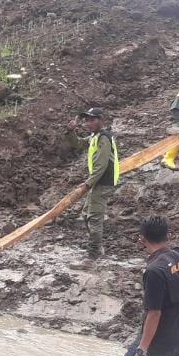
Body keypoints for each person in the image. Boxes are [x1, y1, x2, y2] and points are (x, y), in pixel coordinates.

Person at [99, 192, 179, 356]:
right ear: (169, 236)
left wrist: (142, 351)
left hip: (154, 343)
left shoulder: (154, 271)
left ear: (141, 239)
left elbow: (154, 313)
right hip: (177, 343)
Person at [67, 107, 120, 266]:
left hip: (102, 183)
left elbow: (101, 165)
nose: (88, 123)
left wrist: (88, 183)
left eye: (92, 119)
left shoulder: (104, 138)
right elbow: (77, 143)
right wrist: (70, 131)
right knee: (86, 215)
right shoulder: (94, 137)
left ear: (101, 120)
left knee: (94, 219)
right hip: (97, 183)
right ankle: (97, 249)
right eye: (87, 120)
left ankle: (92, 257)